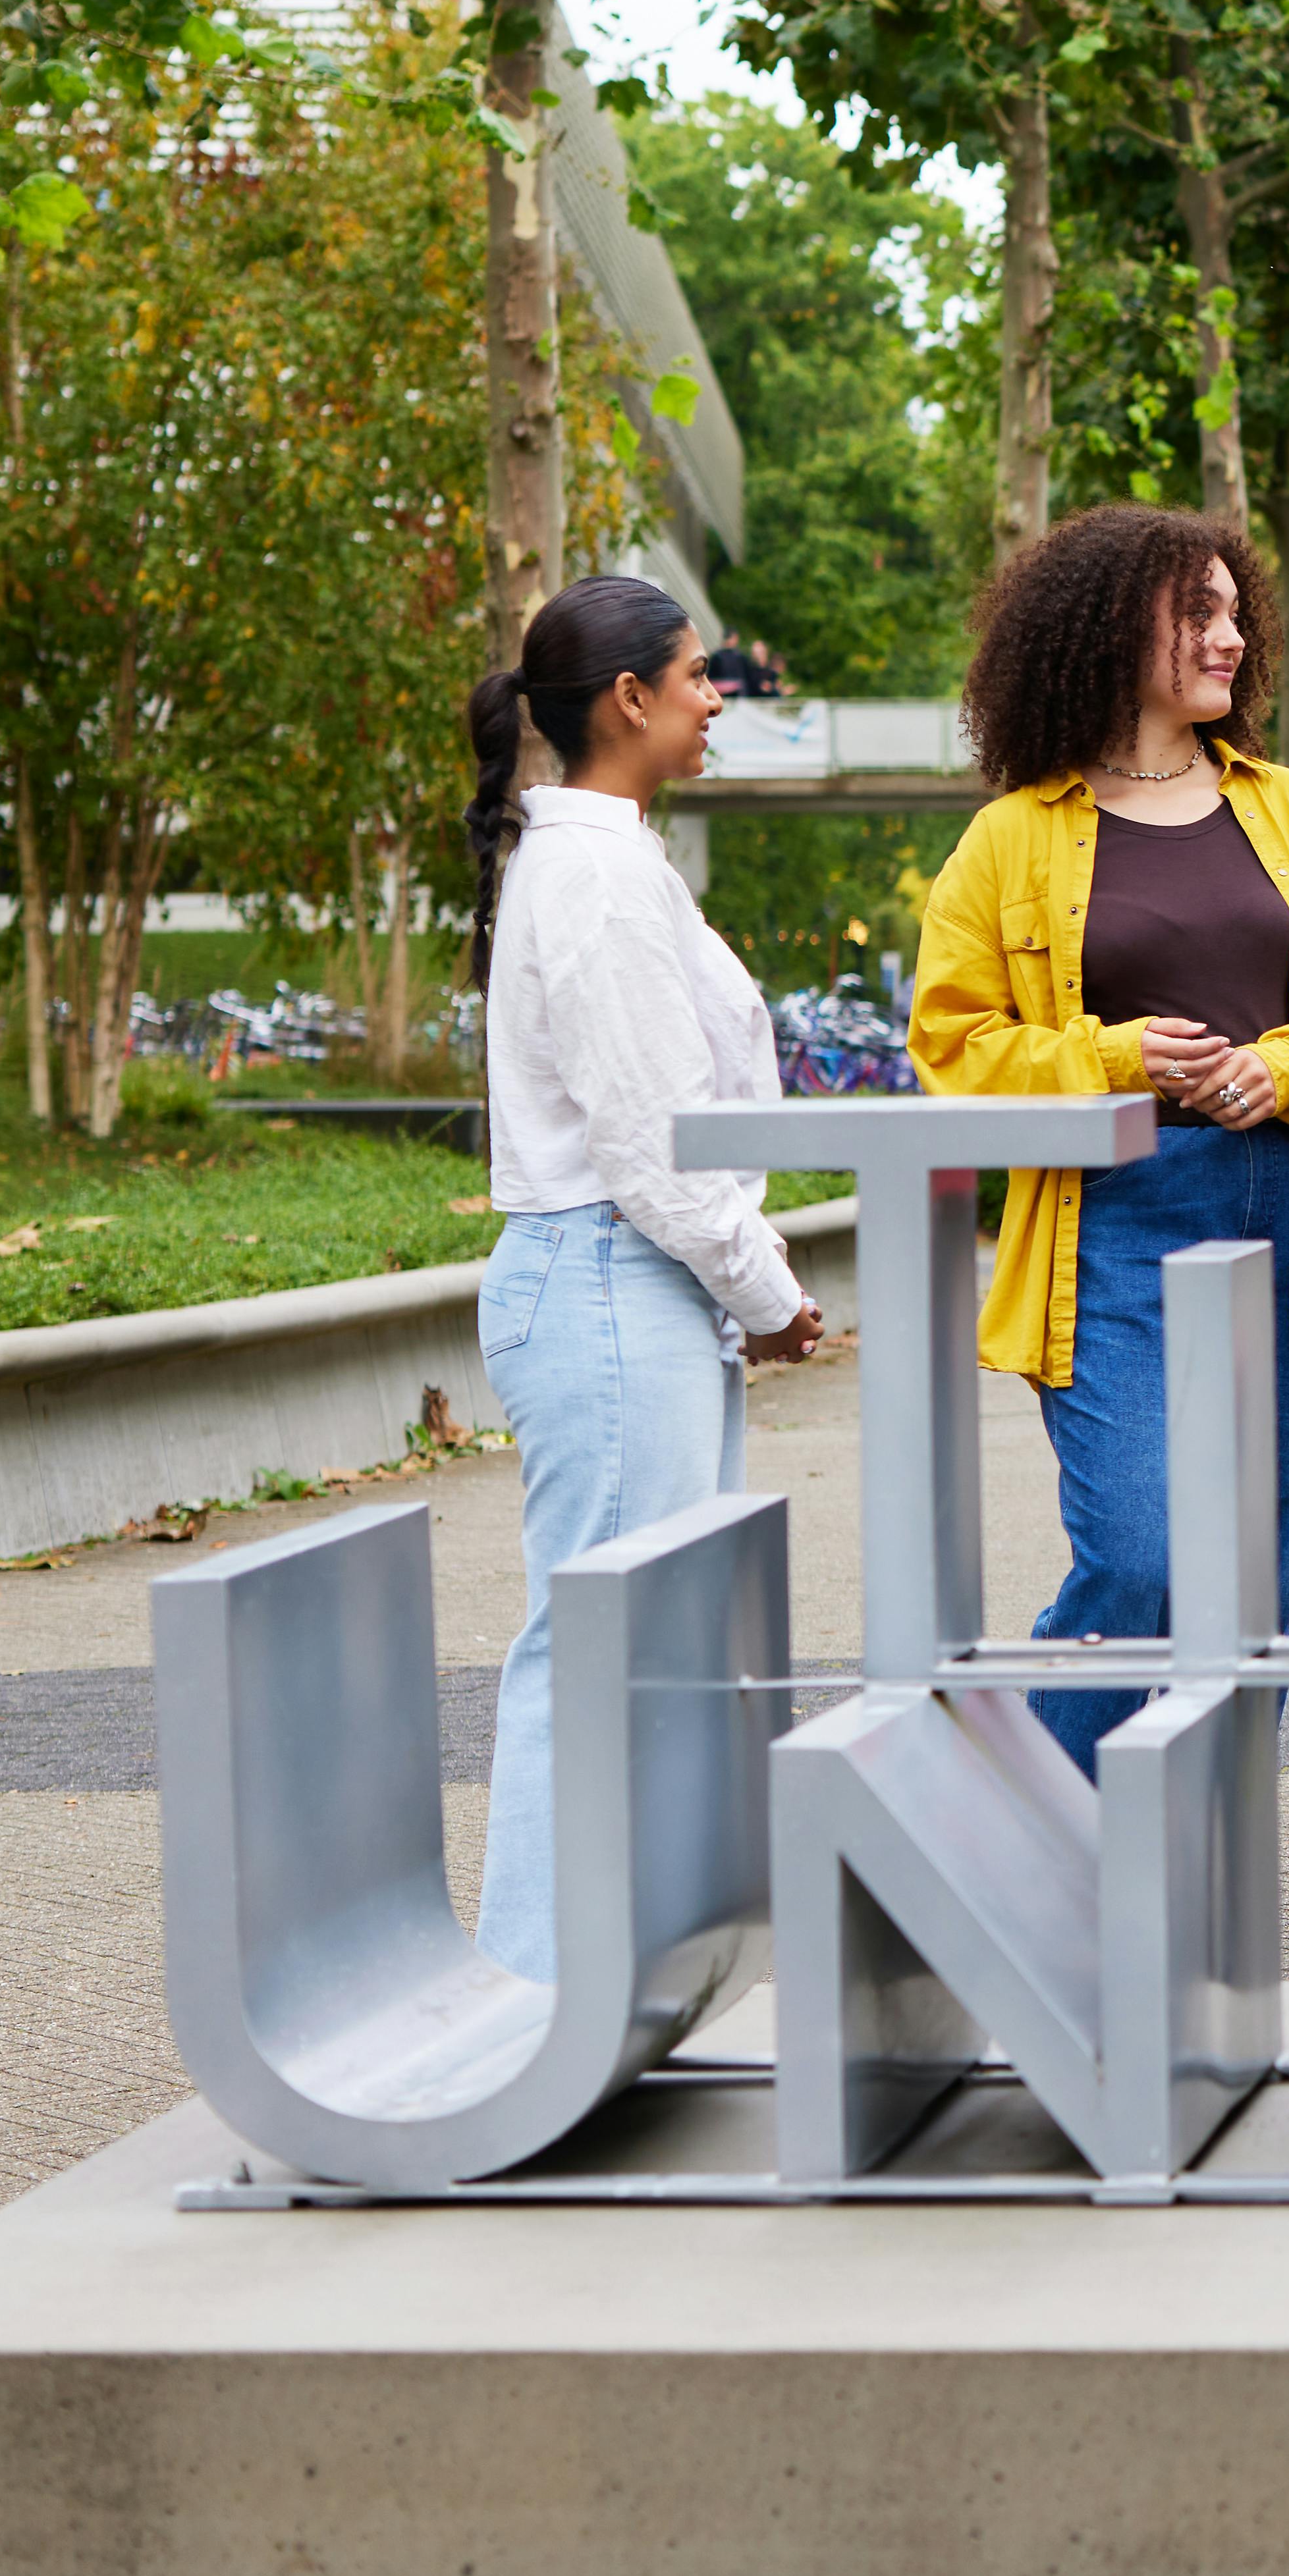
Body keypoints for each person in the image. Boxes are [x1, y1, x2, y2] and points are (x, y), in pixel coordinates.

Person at [912, 504, 1289, 1768]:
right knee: (1139, 1557)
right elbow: (951, 1047)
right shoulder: (1011, 835)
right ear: (1109, 628)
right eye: (1198, 611)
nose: (1234, 636)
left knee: (1253, 1588)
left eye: (1235, 609)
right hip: (1111, 1226)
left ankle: (1200, 1887)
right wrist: (1111, 1055)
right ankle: (1024, 1827)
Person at [465, 575, 825, 1982]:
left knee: (632, 1647)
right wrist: (772, 1294)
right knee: (598, 1651)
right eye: (696, 672)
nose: (716, 693)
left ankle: (598, 1990)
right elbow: (657, 1144)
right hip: (613, 1277)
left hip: (622, 1285)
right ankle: (537, 2001)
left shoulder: (601, 860)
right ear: (628, 699)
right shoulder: (600, 876)